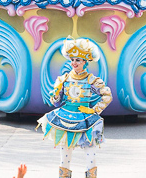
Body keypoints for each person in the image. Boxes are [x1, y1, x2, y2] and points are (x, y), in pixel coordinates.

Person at [37, 37, 112, 178]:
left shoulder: (91, 80)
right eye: (72, 59)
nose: (74, 63)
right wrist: (56, 94)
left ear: (85, 62)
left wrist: (94, 110)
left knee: (90, 154)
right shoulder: (63, 79)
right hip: (64, 117)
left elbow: (107, 96)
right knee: (65, 155)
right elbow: (55, 102)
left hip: (86, 119)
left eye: (78, 60)